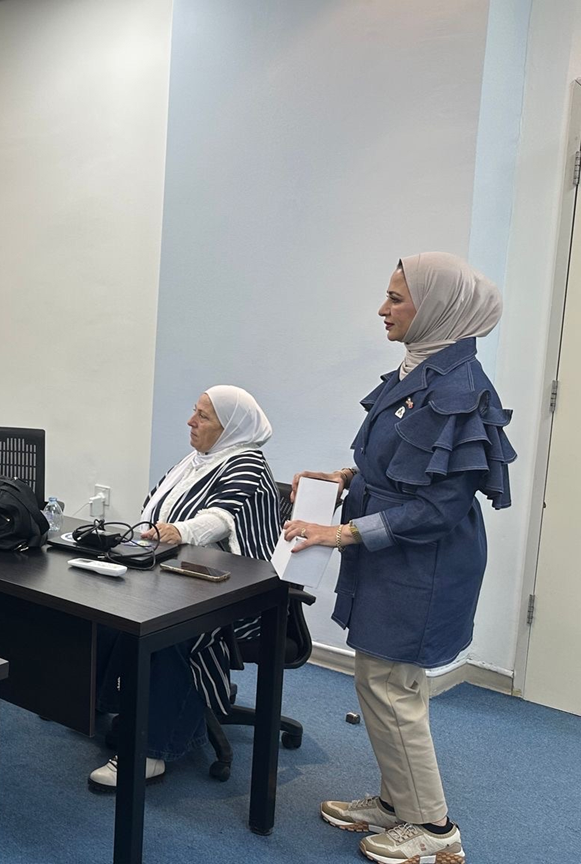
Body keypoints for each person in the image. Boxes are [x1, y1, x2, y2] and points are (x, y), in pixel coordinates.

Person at [293, 254, 512, 864]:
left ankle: (434, 831)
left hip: (424, 563)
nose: (382, 309)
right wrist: (342, 479)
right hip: (395, 555)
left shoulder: (457, 388)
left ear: (437, 307)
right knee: (379, 680)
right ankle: (397, 803)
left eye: (396, 298)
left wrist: (341, 533)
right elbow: (400, 464)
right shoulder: (421, 369)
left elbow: (439, 507)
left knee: (395, 688)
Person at [89, 385, 280, 791]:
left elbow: (222, 519)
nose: (191, 421)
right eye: (195, 411)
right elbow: (153, 509)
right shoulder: (197, 461)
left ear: (230, 428)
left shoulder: (247, 464)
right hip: (177, 578)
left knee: (163, 632)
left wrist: (180, 531)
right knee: (103, 605)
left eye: (203, 416)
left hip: (235, 596)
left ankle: (150, 752)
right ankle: (105, 703)